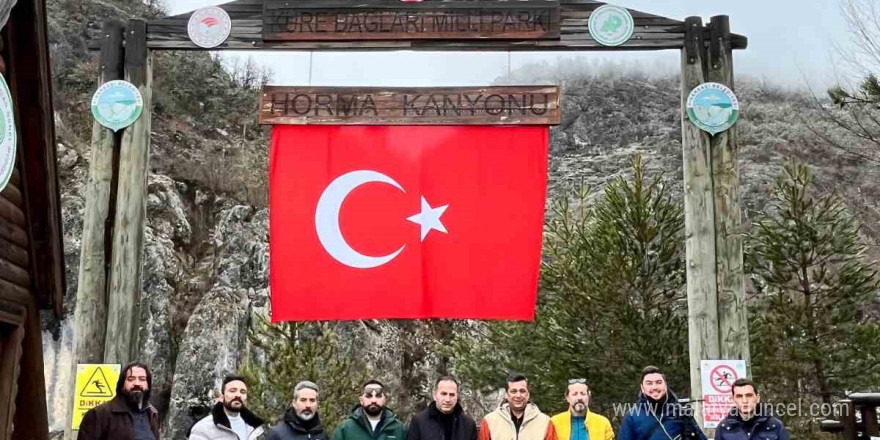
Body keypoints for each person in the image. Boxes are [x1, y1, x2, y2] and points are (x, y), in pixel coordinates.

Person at [617, 366, 706, 440]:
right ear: (642, 387)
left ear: (665, 384)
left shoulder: (681, 412)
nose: (655, 387)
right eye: (649, 383)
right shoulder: (632, 416)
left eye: (659, 382)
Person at [77, 361, 160, 440]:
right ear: (122, 384)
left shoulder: (152, 414)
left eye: (142, 379)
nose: (137, 383)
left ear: (148, 385)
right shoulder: (99, 414)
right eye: (131, 379)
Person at [479, 373, 557, 440]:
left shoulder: (545, 422)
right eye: (514, 391)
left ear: (528, 394)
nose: (518, 395)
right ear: (506, 394)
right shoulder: (490, 421)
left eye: (522, 391)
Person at [189, 375, 266, 439]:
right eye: (232, 391)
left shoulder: (253, 427)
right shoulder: (203, 428)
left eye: (242, 392)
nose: (238, 395)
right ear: (222, 398)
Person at [407, 376, 477, 440]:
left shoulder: (468, 425)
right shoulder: (419, 422)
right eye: (443, 394)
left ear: (457, 397)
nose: (448, 399)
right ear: (435, 395)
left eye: (452, 395)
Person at [332, 380, 407, 440]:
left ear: (384, 400)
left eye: (378, 396)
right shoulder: (345, 428)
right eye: (368, 396)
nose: (373, 400)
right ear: (361, 400)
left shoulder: (398, 428)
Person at [716, 379, 789, 440]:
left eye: (749, 395)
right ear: (733, 399)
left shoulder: (775, 426)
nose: (745, 401)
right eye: (739, 396)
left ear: (757, 398)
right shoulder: (724, 428)